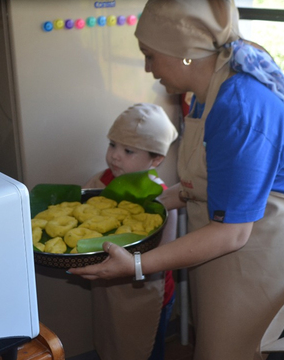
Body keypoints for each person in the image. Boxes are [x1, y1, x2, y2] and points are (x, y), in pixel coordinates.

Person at [69, 1, 284, 359]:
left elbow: (232, 232)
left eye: (150, 56)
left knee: (233, 351)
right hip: (229, 237)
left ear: (184, 54)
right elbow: (204, 181)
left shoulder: (240, 107)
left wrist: (135, 265)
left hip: (264, 245)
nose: (148, 69)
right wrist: (145, 203)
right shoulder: (205, 94)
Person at [84, 103, 178, 360]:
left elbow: (166, 252)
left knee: (145, 349)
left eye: (128, 151)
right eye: (112, 145)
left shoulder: (161, 197)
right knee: (113, 341)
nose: (115, 156)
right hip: (109, 290)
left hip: (148, 293)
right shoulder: (100, 182)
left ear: (156, 159)